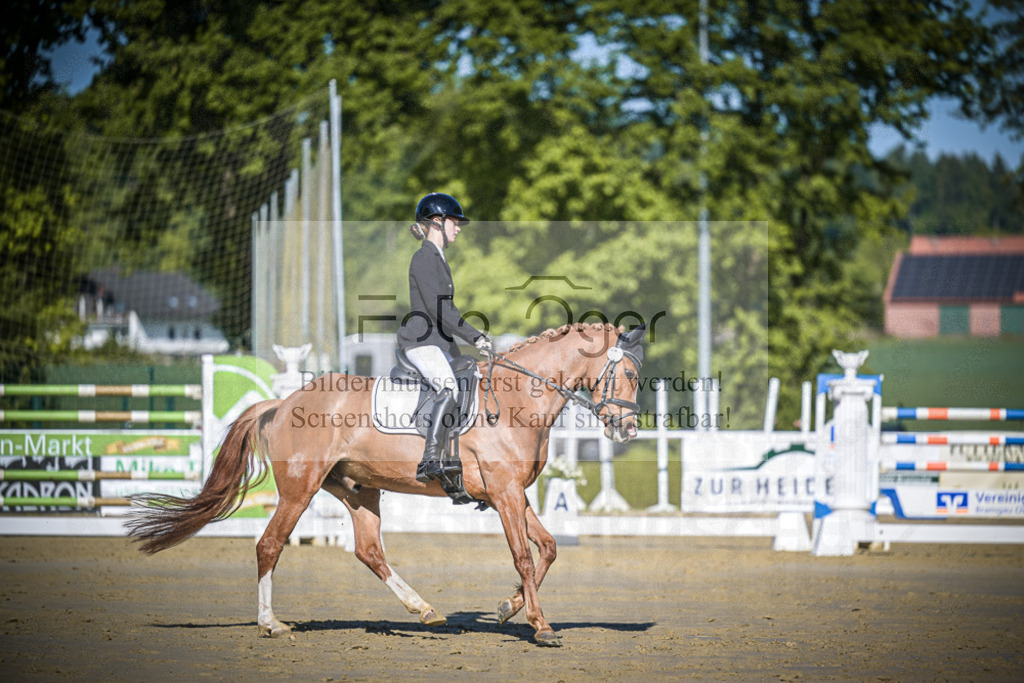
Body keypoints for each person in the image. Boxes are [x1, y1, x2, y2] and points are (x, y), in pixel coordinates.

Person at [398, 192, 493, 483]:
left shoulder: (437, 258)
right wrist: (475, 337)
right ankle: (429, 459)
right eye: (455, 221)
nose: (459, 227)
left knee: (471, 378)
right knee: (448, 388)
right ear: (437, 222)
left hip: (438, 343)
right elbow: (439, 308)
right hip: (421, 342)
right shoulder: (424, 257)